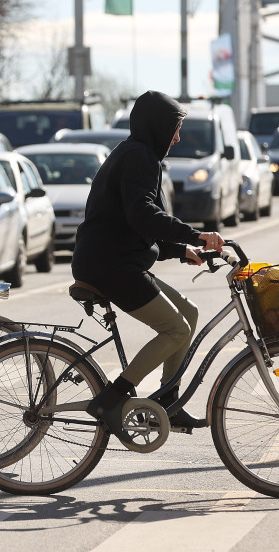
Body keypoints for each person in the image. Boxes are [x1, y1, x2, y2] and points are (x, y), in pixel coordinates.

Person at [70, 90, 225, 436]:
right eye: (175, 128)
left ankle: (167, 402)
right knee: (177, 329)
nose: (178, 137)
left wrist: (179, 249)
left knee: (189, 312)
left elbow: (130, 224)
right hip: (109, 265)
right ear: (159, 126)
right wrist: (194, 236)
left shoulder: (136, 153)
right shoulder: (141, 157)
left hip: (113, 259)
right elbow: (143, 214)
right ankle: (112, 398)